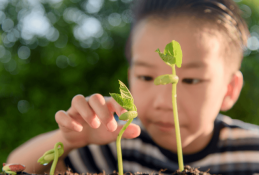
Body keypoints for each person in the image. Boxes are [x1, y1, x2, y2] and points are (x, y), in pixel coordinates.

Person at [7, 0, 259, 174]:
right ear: (130, 77)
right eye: (146, 77)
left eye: (192, 80)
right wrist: (69, 139)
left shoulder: (253, 152)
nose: (163, 101)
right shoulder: (116, 148)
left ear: (229, 89)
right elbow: (15, 166)